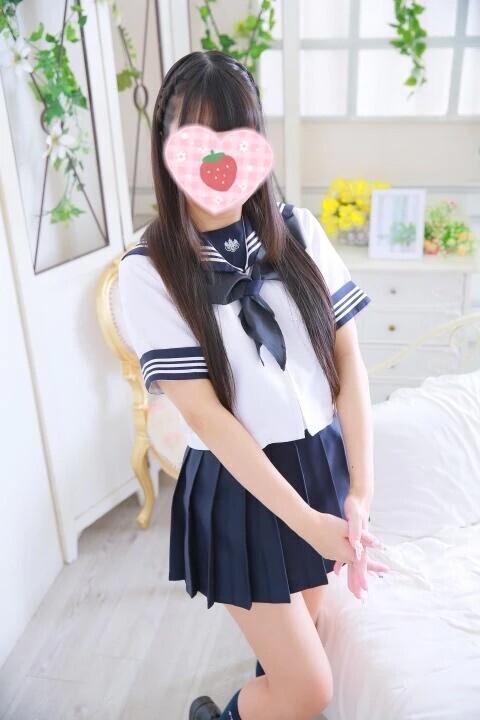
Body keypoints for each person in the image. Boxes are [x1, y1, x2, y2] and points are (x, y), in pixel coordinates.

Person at [119, 50, 387, 720]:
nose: (219, 160)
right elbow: (208, 420)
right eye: (197, 139)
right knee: (309, 688)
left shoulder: (298, 231)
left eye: (234, 136)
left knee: (298, 644)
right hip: (241, 486)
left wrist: (360, 491)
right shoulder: (149, 271)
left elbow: (349, 361)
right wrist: (308, 523)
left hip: (318, 463)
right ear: (167, 149)